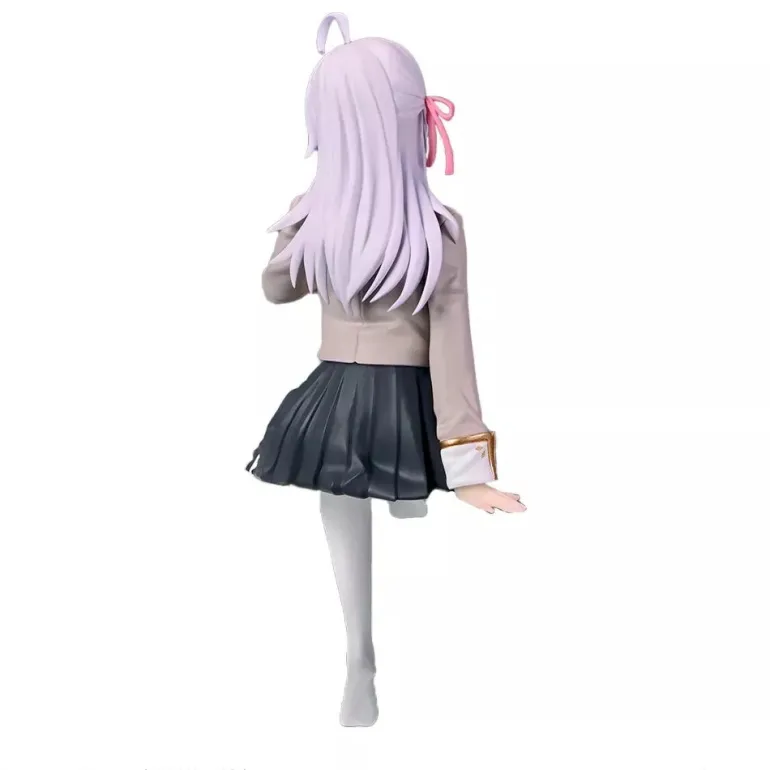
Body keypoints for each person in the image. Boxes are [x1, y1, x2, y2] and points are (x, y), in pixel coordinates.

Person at [246, 12, 526, 726]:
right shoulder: (437, 230)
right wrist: (467, 470)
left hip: (343, 394)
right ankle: (364, 642)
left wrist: (300, 229)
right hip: (400, 396)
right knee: (363, 480)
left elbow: (275, 290)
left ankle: (359, 656)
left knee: (341, 491)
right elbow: (452, 348)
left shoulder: (332, 218)